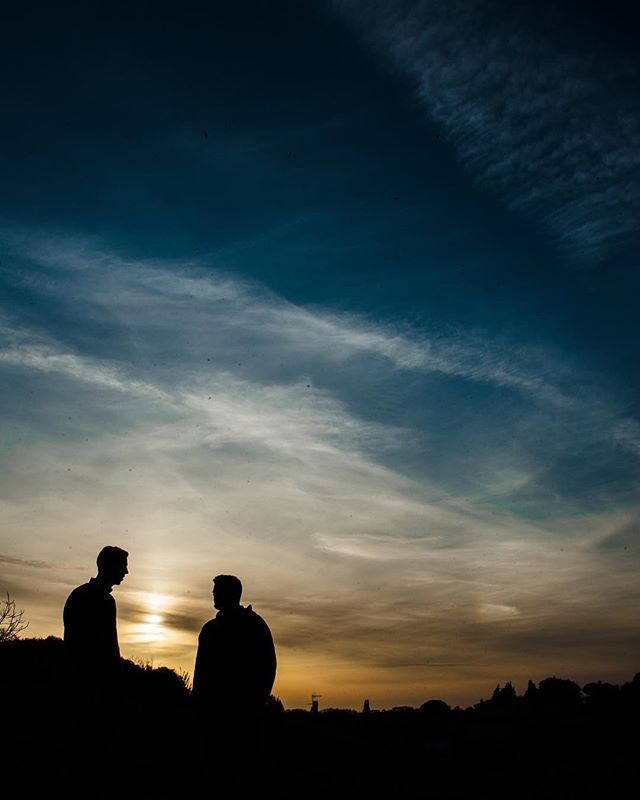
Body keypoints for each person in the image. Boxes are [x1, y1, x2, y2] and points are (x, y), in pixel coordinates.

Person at [192, 574, 277, 717]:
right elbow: (201, 672)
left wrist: (255, 703)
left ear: (230, 593)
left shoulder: (254, 626)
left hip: (243, 713)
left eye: (217, 589)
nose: (213, 593)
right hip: (211, 712)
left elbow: (268, 666)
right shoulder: (209, 630)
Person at [63, 545, 129, 698]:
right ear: (110, 566)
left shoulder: (84, 594)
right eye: (123, 566)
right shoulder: (90, 597)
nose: (126, 572)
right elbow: (105, 647)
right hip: (90, 685)